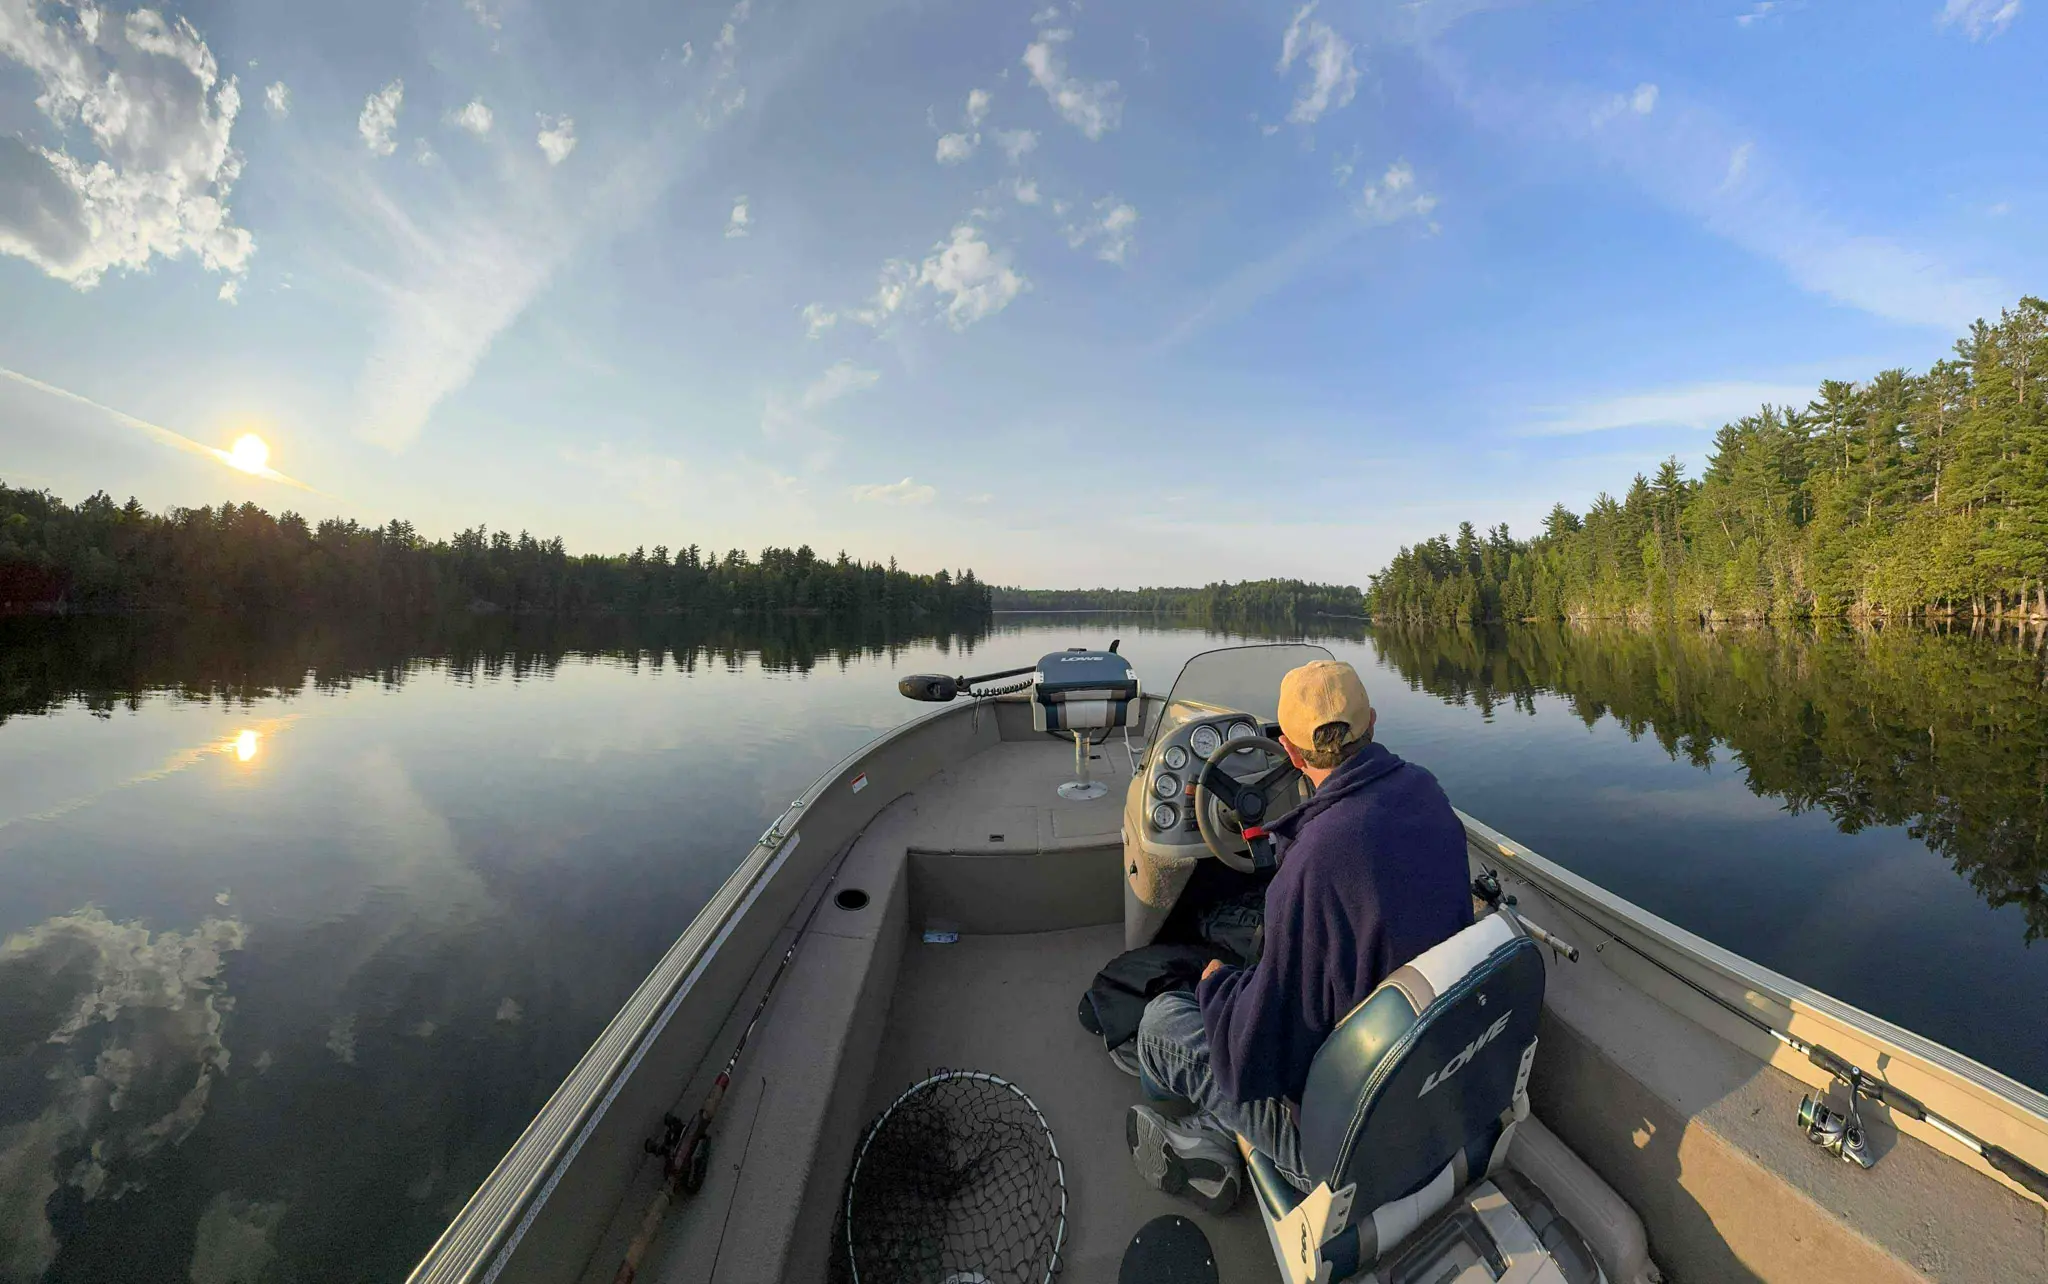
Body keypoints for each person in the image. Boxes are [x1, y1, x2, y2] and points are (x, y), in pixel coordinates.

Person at [1123, 659, 1474, 1213]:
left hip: (1341, 1149)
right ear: (1374, 724)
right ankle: (1213, 1129)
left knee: (1162, 1024)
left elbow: (1252, 1055)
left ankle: (1205, 1132)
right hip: (1431, 1090)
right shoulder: (1428, 792)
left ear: (1287, 751)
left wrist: (1216, 990)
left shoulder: (1313, 862)